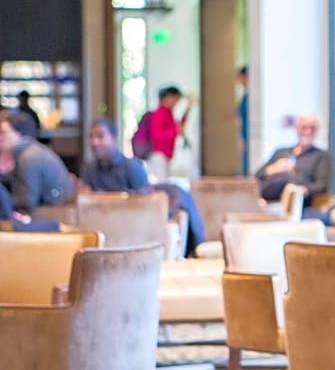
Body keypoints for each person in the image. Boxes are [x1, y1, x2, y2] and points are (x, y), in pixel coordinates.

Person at [80, 117, 205, 257]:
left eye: (100, 136)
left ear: (114, 139)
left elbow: (146, 205)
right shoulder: (89, 170)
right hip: (106, 232)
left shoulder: (131, 167)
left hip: (136, 232)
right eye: (91, 137)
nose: (94, 142)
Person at [0, 110, 73, 214]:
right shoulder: (29, 150)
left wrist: (3, 201)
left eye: (3, 132)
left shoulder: (28, 157)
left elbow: (27, 201)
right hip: (50, 205)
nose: (0, 137)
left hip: (52, 211)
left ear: (19, 133)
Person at [254, 114, 331, 209]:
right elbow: (256, 176)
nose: (308, 132)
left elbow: (321, 185)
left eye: (312, 128)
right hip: (267, 198)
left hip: (297, 200)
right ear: (297, 129)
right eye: (304, 128)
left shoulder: (320, 156)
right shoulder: (280, 152)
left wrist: (302, 190)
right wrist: (274, 169)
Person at [146, 85, 193, 182]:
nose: (176, 102)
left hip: (166, 153)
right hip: (159, 154)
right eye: (175, 99)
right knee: (163, 184)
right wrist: (175, 131)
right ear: (168, 98)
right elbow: (157, 136)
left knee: (165, 182)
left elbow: (178, 126)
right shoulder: (159, 114)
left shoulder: (168, 113)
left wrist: (188, 108)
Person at [236, 65, 249, 175]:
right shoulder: (245, 96)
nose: (239, 81)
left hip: (250, 135)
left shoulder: (252, 95)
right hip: (244, 134)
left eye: (240, 77)